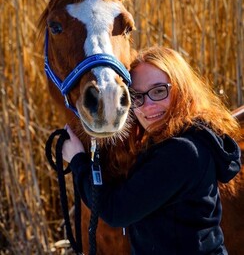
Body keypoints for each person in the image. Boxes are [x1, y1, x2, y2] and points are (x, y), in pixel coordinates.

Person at [62, 46, 241, 254]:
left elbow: (116, 211)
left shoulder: (183, 152)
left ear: (181, 90)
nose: (148, 106)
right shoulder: (182, 140)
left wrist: (77, 160)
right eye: (137, 96)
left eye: (158, 91)